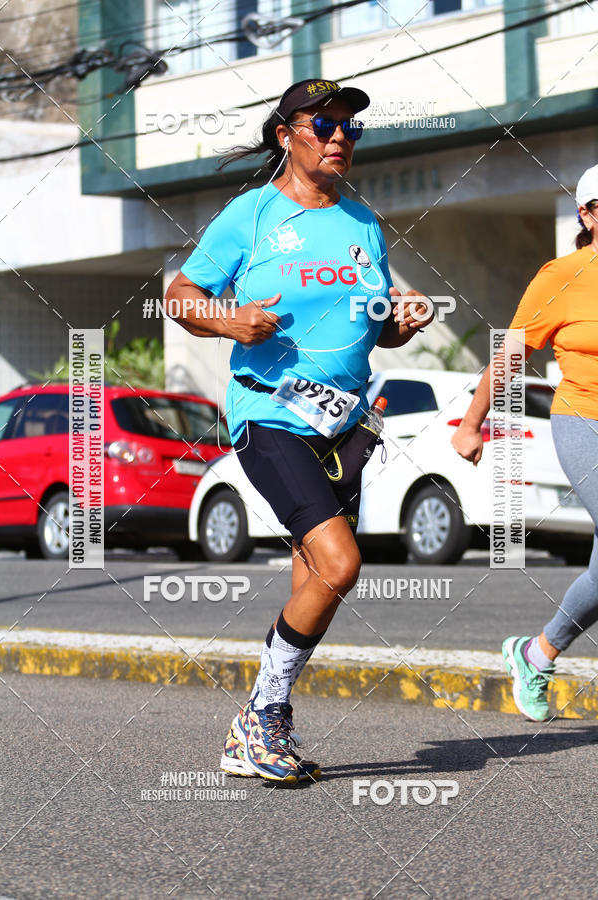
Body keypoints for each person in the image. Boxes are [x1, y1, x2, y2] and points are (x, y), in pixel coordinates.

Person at [165, 78, 433, 781]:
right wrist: (230, 319)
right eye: (325, 123)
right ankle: (261, 715)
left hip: (342, 423)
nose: (341, 135)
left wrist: (400, 326)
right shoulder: (250, 215)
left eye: (351, 127)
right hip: (270, 412)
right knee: (342, 564)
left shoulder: (363, 224)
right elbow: (180, 296)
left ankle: (256, 730)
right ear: (287, 134)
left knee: (313, 575)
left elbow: (373, 331)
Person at [451, 163, 598, 723]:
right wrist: (471, 421)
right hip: (584, 418)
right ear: (587, 215)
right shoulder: (561, 275)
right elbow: (513, 353)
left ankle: (535, 653)